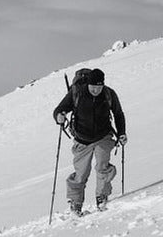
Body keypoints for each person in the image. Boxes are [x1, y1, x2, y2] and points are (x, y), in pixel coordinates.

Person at [52, 67, 127, 215]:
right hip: (82, 139)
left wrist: (122, 133)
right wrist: (59, 116)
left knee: (102, 167)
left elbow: (118, 114)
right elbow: (60, 109)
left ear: (103, 85)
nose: (96, 90)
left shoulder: (108, 94)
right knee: (81, 173)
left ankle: (102, 197)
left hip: (103, 137)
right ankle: (76, 203)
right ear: (88, 84)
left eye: (99, 87)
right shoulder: (77, 92)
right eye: (93, 87)